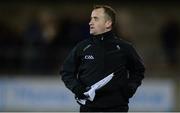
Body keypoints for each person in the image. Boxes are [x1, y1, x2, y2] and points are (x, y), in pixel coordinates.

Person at [60, 5, 145, 112]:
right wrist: (77, 89)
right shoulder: (82, 47)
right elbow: (66, 71)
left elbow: (138, 70)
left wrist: (129, 88)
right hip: (89, 108)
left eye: (95, 18)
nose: (90, 22)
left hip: (117, 108)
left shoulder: (124, 48)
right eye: (91, 18)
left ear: (108, 23)